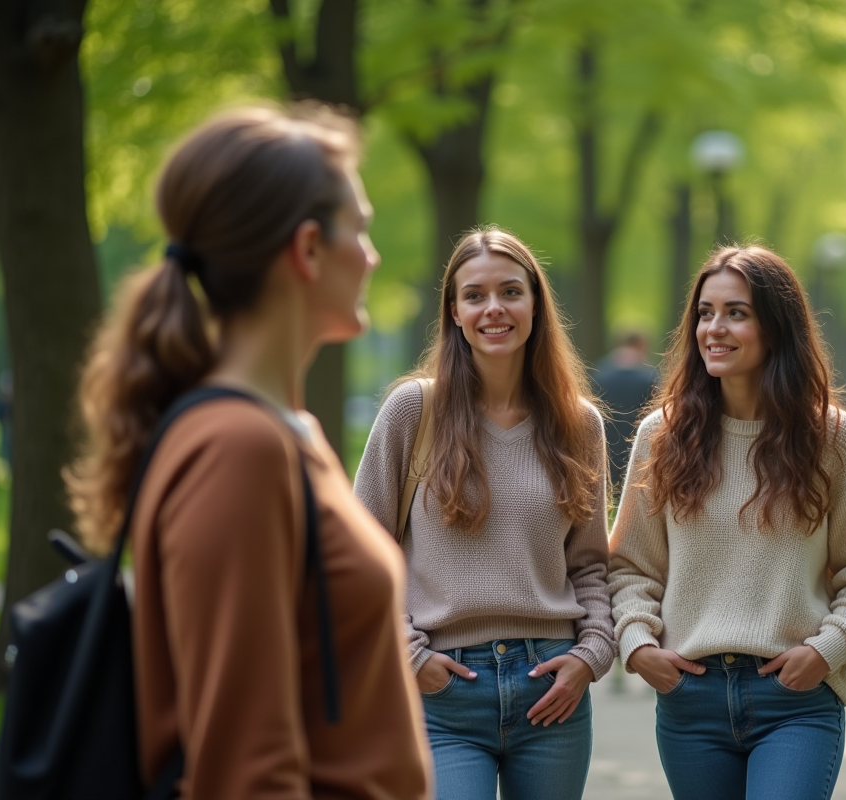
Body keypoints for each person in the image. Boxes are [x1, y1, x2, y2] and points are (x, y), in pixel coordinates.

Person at [65, 107, 432, 799]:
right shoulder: (237, 450)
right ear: (308, 250)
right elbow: (245, 769)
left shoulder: (280, 431)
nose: (374, 254)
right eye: (360, 227)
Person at [609, 245, 846, 800]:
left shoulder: (833, 440)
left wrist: (827, 650)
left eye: (736, 312)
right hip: (691, 702)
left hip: (795, 700)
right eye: (705, 313)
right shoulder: (661, 438)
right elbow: (629, 568)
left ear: (776, 328)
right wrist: (639, 644)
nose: (714, 328)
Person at [353, 227, 616, 800]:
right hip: (441, 689)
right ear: (454, 312)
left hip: (551, 685)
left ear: (535, 305)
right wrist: (409, 654)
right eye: (475, 295)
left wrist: (589, 657)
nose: (493, 309)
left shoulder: (578, 425)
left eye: (510, 292)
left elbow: (591, 567)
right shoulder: (413, 411)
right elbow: (357, 555)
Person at [592, 331, 658, 495]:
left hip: (606, 437)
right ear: (641, 346)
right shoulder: (649, 375)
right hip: (636, 438)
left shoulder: (600, 374)